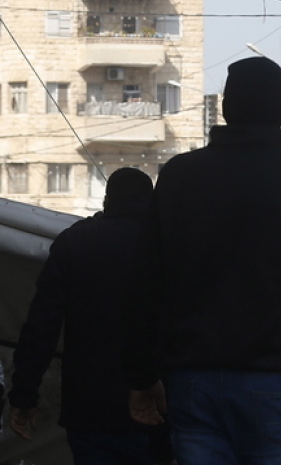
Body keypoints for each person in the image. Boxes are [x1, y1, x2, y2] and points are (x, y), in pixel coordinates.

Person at [123, 56, 281, 464]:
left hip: (192, 385)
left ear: (226, 108)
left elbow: (147, 285)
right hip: (277, 382)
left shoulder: (180, 176)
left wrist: (143, 377)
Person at [8, 167, 171, 464]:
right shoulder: (170, 246)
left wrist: (24, 395)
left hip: (90, 406)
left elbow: (41, 326)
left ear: (107, 201)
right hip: (159, 405)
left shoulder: (75, 243)